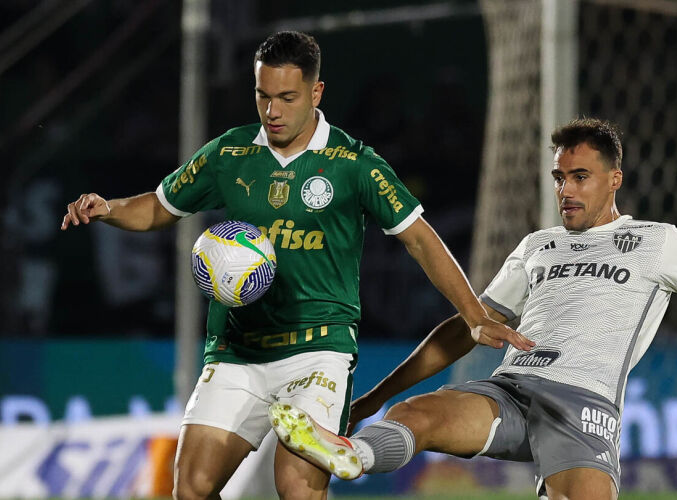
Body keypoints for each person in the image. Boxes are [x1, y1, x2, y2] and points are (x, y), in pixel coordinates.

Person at [60, 31, 531, 500]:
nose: (273, 111)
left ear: (316, 92)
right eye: (263, 96)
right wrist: (109, 208)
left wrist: (474, 315)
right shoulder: (229, 152)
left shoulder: (354, 164)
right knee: (191, 489)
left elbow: (421, 241)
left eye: (287, 97)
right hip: (236, 349)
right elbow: (161, 207)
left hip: (317, 350)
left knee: (297, 488)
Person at [268, 117, 677, 500]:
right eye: (560, 177)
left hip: (582, 406)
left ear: (614, 180)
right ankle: (353, 456)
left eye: (579, 177)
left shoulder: (659, 241)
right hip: (509, 389)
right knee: (418, 414)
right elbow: (467, 329)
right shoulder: (537, 246)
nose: (566, 190)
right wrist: (373, 399)